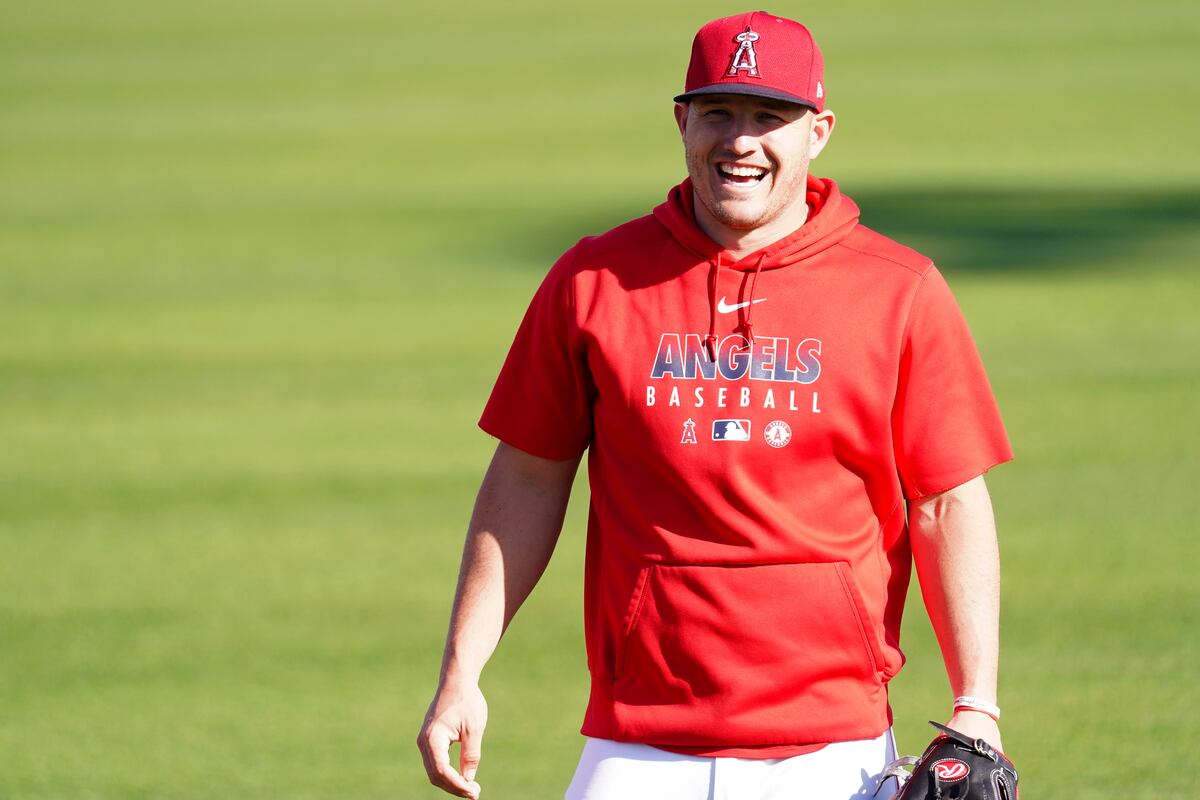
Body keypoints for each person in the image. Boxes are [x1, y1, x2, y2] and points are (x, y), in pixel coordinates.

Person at [417, 11, 1013, 800]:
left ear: (819, 131)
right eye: (718, 113)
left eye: (771, 117)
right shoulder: (594, 282)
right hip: (637, 745)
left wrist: (977, 704)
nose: (741, 141)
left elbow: (947, 501)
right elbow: (526, 481)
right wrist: (462, 671)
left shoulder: (898, 290)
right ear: (681, 121)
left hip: (833, 749)